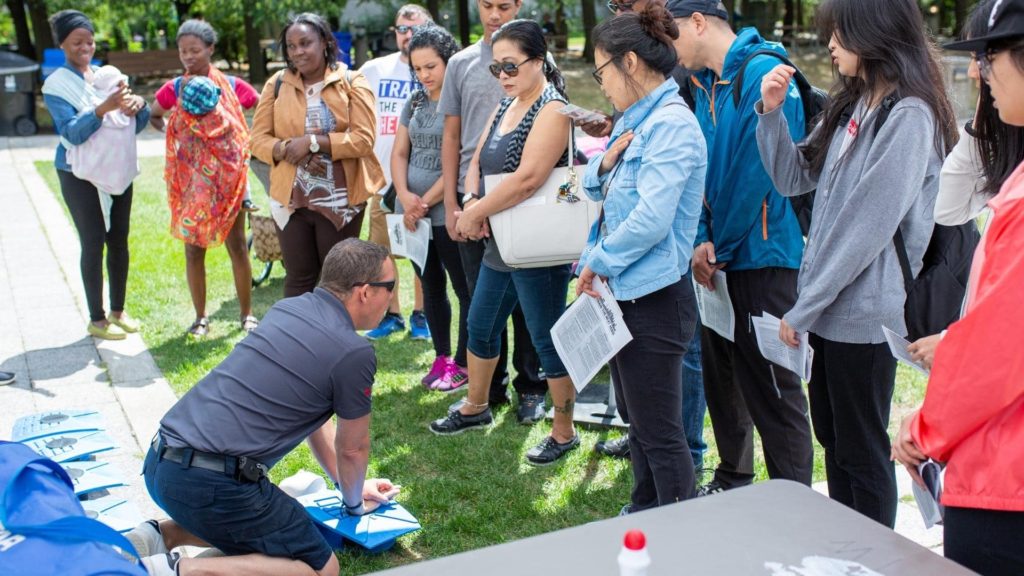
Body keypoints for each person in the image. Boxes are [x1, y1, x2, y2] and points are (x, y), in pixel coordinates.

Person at [756, 0, 957, 526]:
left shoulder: (909, 114)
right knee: (835, 441)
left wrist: (804, 307)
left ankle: (872, 558)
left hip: (865, 316)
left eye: (839, 33)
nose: (830, 43)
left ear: (874, 32)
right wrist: (770, 113)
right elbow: (792, 178)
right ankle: (846, 550)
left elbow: (866, 227)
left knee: (862, 454)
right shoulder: (857, 103)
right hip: (829, 310)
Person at [130, 239, 401, 576]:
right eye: (390, 287)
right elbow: (353, 448)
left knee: (272, 522)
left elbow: (314, 424)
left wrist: (351, 488)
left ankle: (160, 535)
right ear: (364, 292)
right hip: (212, 483)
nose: (392, 297)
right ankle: (177, 570)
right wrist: (354, 506)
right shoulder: (353, 353)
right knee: (320, 569)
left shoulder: (289, 308)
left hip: (162, 463)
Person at [892, 2, 1024, 574]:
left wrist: (924, 429)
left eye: (989, 56)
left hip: (1006, 483)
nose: (980, 73)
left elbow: (998, 354)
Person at [668, 0, 813, 496]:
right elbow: (701, 169)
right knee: (723, 380)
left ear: (699, 23)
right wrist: (700, 236)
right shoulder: (702, 84)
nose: (670, 48)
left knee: (774, 390)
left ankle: (792, 500)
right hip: (718, 256)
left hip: (765, 257)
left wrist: (717, 246)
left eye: (673, 35)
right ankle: (734, 480)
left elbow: (759, 174)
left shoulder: (766, 72)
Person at [428, 20, 580, 466]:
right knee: (480, 324)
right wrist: (471, 197)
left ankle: (563, 431)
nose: (504, 76)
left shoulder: (553, 109)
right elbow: (477, 159)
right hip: (503, 241)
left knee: (546, 338)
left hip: (538, 245)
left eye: (511, 66)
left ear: (539, 62)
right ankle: (476, 406)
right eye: (497, 68)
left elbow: (529, 179)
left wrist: (474, 213)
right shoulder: (506, 103)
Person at [578, 3, 707, 513]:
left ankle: (680, 534)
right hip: (629, 295)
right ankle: (644, 516)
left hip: (653, 299)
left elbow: (651, 221)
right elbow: (594, 186)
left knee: (660, 432)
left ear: (629, 62)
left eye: (601, 71)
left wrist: (598, 262)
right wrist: (603, 162)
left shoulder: (671, 126)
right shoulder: (636, 120)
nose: (601, 84)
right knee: (643, 427)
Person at [439, 0, 549, 423]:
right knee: (478, 299)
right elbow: (454, 138)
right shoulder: (462, 63)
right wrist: (458, 203)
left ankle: (532, 387)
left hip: (524, 203)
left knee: (528, 305)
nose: (494, 12)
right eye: (487, 4)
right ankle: (488, 389)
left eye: (504, 4)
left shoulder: (539, 59)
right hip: (472, 198)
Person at [906, 0, 1024, 371]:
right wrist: (982, 119)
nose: (975, 73)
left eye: (985, 56)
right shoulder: (1009, 150)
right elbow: (948, 209)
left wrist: (955, 344)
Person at [251, 13, 384, 298]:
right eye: (291, 46)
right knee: (299, 279)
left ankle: (336, 342)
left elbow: (364, 139)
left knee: (336, 282)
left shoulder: (351, 81)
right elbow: (257, 140)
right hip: (291, 198)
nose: (298, 51)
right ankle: (297, 341)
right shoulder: (277, 84)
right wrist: (286, 148)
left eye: (305, 43)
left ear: (324, 42)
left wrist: (314, 142)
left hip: (340, 199)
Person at [41, 10, 149, 341]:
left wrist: (137, 107)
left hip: (115, 168)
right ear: (62, 44)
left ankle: (119, 311)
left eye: (89, 41)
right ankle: (97, 319)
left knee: (119, 239)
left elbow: (134, 127)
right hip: (78, 173)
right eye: (77, 42)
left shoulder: (106, 77)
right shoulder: (56, 85)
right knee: (93, 242)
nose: (85, 47)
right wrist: (102, 109)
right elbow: (71, 133)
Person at [151, 20, 258, 338]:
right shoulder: (175, 88)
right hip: (191, 184)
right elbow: (154, 114)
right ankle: (200, 317)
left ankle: (246, 314)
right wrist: (173, 132)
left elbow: (260, 106)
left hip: (229, 184)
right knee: (193, 250)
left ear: (211, 49)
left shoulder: (234, 86)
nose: (188, 57)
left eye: (195, 50)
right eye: (183, 51)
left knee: (237, 246)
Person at [391, 25, 471, 391]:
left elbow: (455, 160)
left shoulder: (459, 103)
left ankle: (466, 362)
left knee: (463, 287)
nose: (424, 75)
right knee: (430, 286)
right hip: (413, 216)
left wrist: (424, 202)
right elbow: (400, 151)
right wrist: (405, 196)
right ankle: (442, 358)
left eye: (431, 67)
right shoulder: (415, 102)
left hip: (443, 214)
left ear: (448, 62)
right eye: (417, 68)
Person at [361, 5, 433, 341]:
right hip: (383, 183)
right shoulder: (375, 69)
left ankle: (422, 315)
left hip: (422, 182)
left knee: (421, 255)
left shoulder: (433, 70)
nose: (408, 35)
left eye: (415, 29)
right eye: (403, 29)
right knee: (381, 256)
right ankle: (391, 315)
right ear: (395, 32)